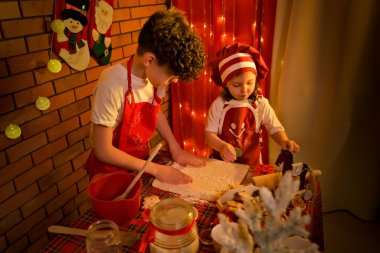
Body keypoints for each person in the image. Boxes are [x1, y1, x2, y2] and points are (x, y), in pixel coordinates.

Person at [85, 8, 206, 184]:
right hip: (108, 172)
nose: (172, 81)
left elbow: (154, 114)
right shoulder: (112, 84)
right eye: (171, 75)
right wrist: (157, 169)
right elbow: (102, 150)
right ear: (149, 60)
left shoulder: (153, 80)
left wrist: (175, 148)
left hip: (140, 164)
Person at [205, 43, 300, 168]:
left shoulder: (261, 104)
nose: (244, 90)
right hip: (222, 165)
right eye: (237, 85)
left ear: (256, 79)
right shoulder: (219, 104)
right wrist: (222, 146)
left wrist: (284, 141)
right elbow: (209, 135)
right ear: (226, 84)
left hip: (252, 164)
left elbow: (274, 128)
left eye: (250, 83)